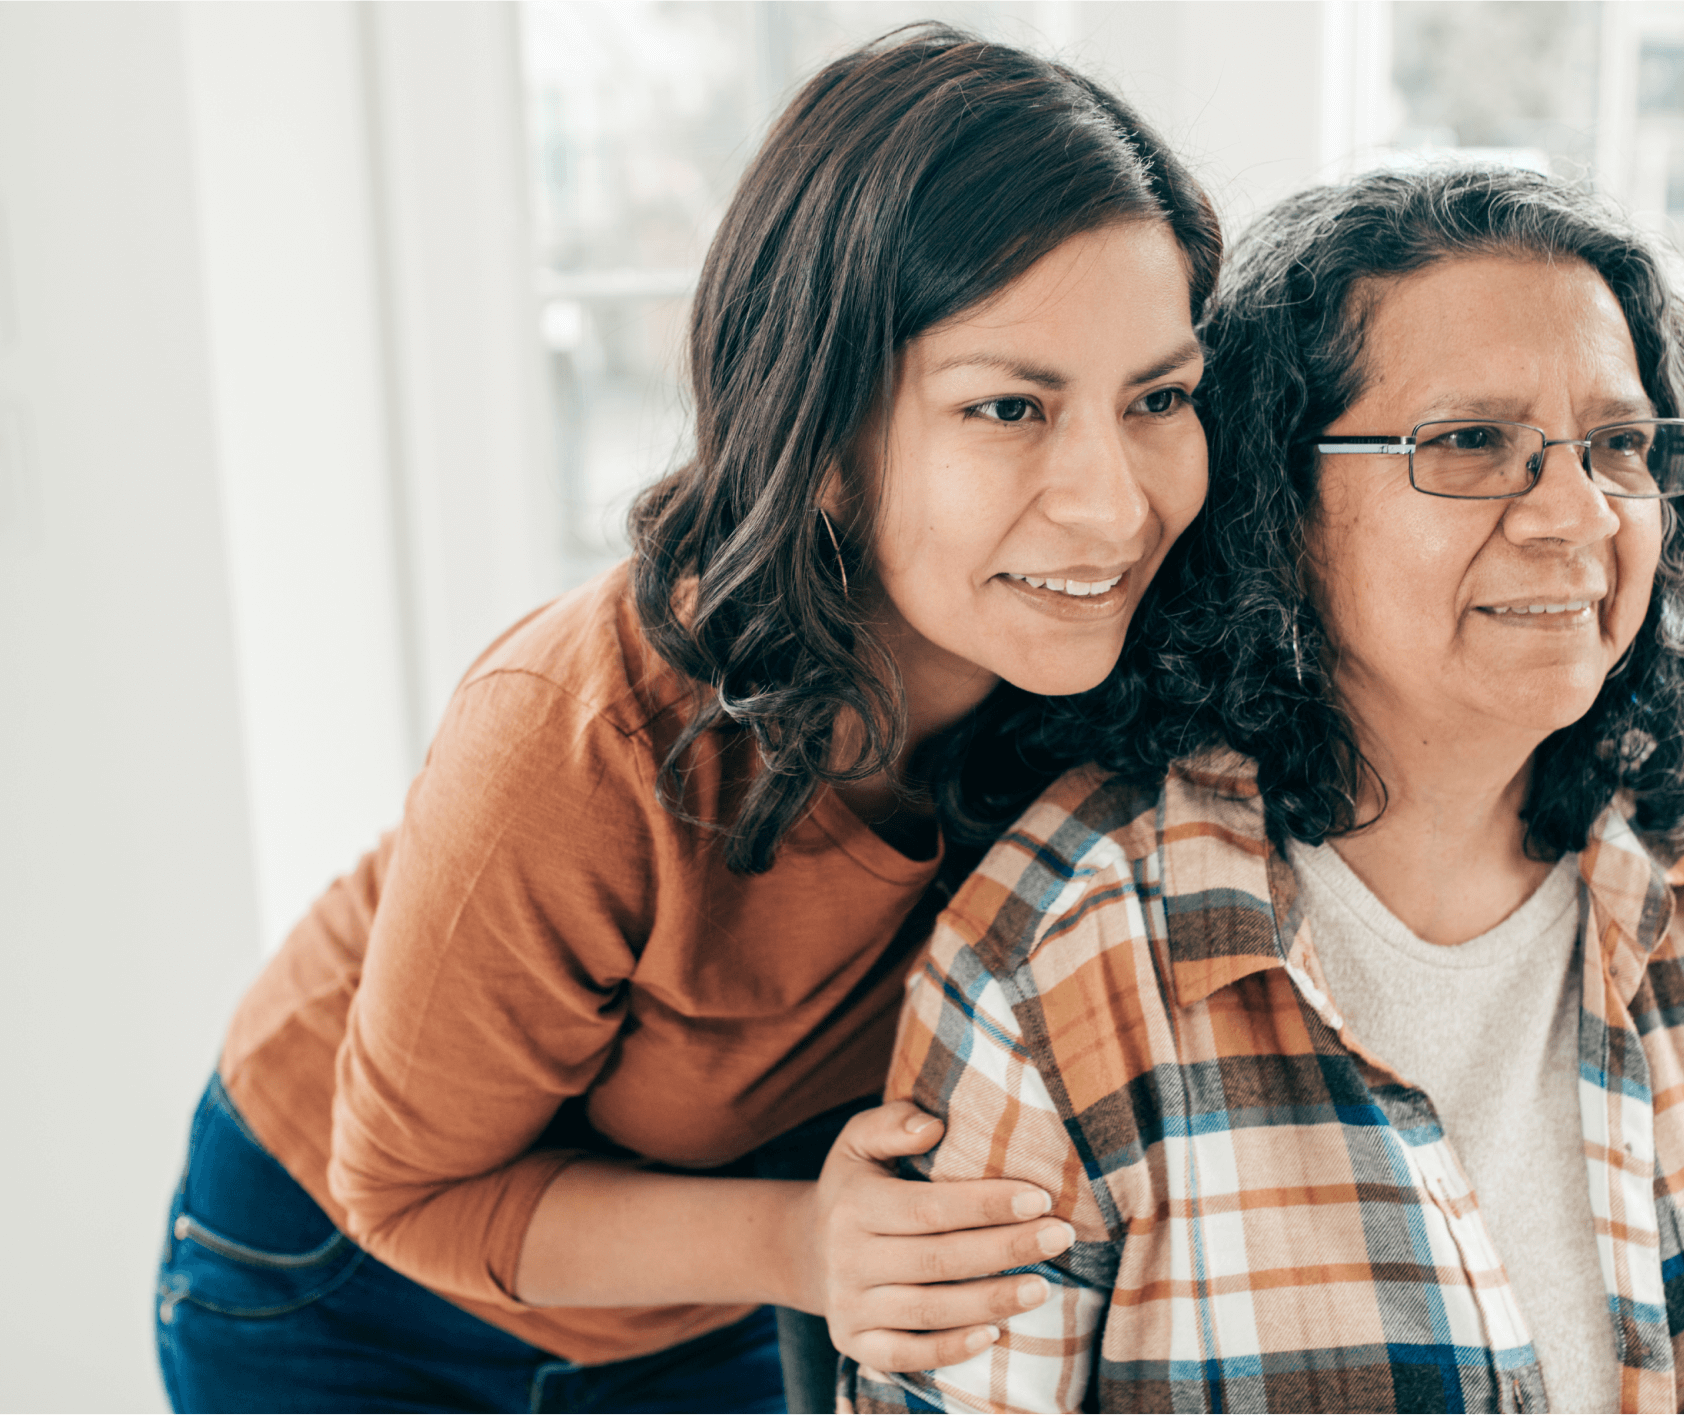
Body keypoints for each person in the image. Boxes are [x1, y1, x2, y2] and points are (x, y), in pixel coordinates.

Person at [155, 26, 1221, 1415]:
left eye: (1158, 397)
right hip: (345, 1280)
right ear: (821, 436)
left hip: (703, 1274)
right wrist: (799, 1243)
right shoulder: (575, 738)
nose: (1113, 500)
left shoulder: (1118, 685)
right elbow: (407, 1186)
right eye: (1008, 404)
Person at [854, 165, 1684, 1415]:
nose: (1575, 514)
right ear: (1277, 501)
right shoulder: (1058, 961)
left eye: (1614, 444)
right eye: (1468, 443)